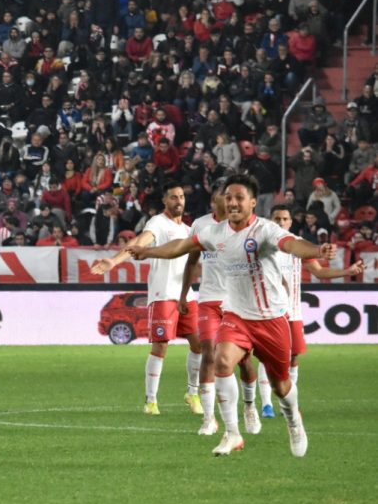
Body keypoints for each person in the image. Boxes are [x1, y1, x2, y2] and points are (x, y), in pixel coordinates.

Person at [130, 174, 336, 457]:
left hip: (271, 319)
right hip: (236, 315)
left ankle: (293, 420)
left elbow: (292, 245)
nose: (233, 202)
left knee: (281, 385)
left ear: (253, 202)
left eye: (239, 198)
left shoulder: (266, 230)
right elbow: (181, 247)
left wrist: (317, 251)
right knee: (221, 361)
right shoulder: (216, 232)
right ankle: (232, 433)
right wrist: (148, 251)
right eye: (229, 198)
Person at [90, 184, 202, 416]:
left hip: (186, 294)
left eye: (181, 196)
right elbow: (139, 243)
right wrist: (114, 261)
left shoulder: (190, 230)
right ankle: (151, 401)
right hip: (162, 294)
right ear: (165, 201)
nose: (179, 201)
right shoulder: (157, 224)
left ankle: (192, 392)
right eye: (173, 197)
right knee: (160, 346)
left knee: (199, 344)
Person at [255, 204, 365, 418]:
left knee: (293, 358)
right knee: (269, 358)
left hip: (294, 312)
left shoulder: (297, 246)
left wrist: (347, 271)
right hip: (269, 312)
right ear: (270, 220)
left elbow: (319, 270)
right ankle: (266, 404)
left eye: (284, 218)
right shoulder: (263, 244)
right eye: (276, 218)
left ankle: (288, 403)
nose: (280, 222)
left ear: (291, 221)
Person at [178, 179, 259, 436]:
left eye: (230, 198)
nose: (226, 202)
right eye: (220, 198)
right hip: (209, 299)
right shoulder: (201, 226)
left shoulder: (246, 226)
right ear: (215, 200)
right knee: (209, 354)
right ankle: (210, 418)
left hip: (237, 301)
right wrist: (183, 295)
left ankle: (249, 406)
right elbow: (191, 261)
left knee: (244, 360)